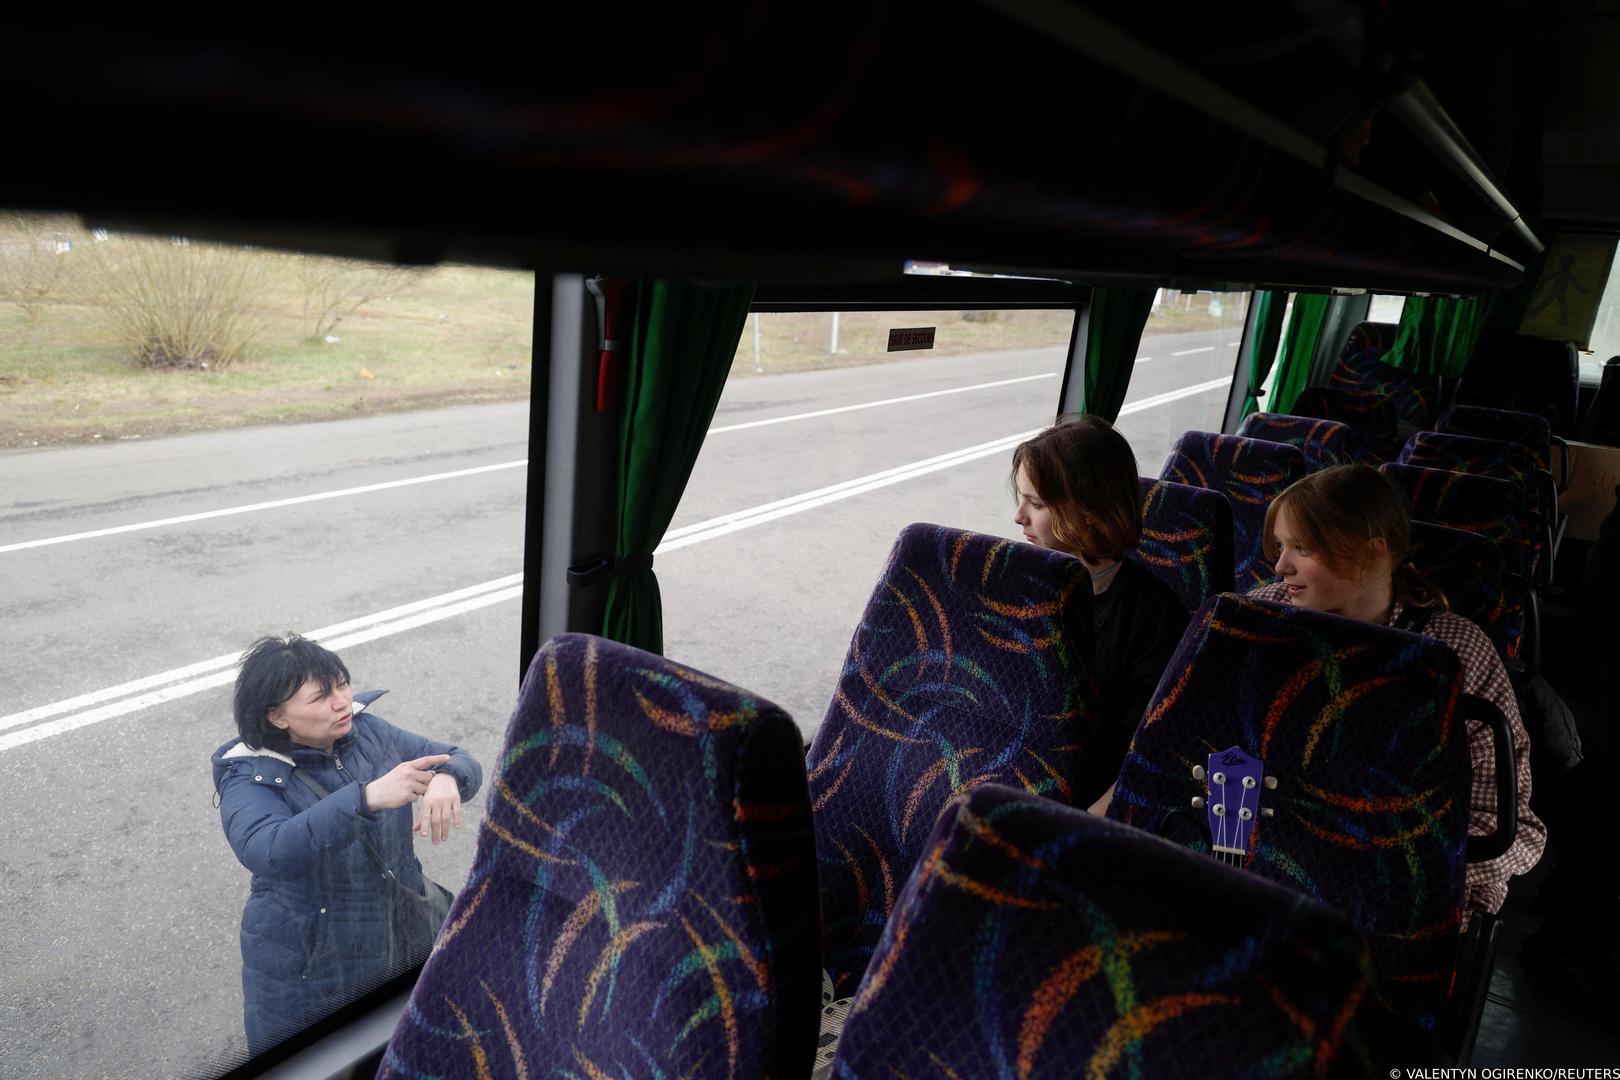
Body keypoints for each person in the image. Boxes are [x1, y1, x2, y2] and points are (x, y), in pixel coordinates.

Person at [1251, 464, 1545, 916]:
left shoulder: (1455, 653)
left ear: (1371, 552)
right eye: (1282, 546)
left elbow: (1507, 830)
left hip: (1392, 896)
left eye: (1302, 548)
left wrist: (1386, 866)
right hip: (1262, 862)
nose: (1280, 565)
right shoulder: (1259, 617)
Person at [210, 634, 483, 1055]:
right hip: (310, 959)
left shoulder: (368, 731)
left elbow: (455, 756)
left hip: (399, 924)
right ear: (277, 716)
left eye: (342, 685)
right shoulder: (249, 776)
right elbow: (267, 850)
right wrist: (367, 797)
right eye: (321, 697)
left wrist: (448, 778)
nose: (341, 702)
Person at [1011, 416, 1189, 806]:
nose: (1018, 517)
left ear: (1089, 509)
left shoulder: (1157, 617)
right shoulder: (1018, 586)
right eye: (1021, 499)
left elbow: (1147, 749)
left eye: (1037, 504)